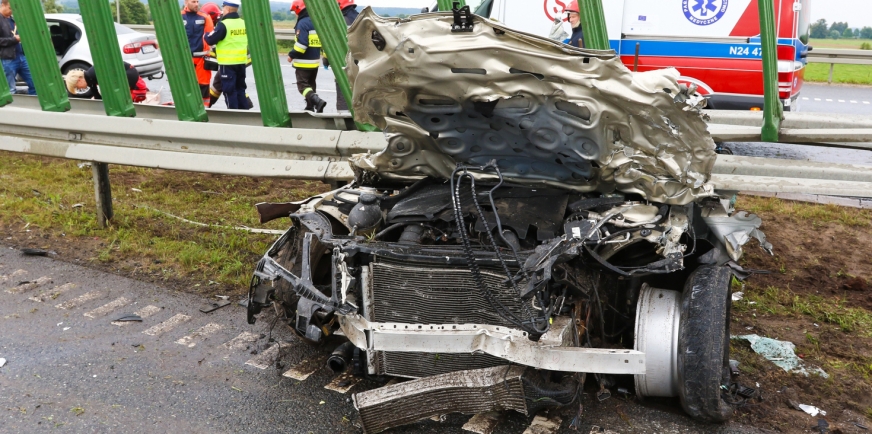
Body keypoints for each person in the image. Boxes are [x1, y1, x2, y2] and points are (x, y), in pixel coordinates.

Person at [204, 0, 250, 110]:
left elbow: (210, 40)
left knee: (229, 90)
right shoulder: (242, 23)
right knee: (240, 89)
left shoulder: (224, 24)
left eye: (223, 8)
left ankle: (233, 115)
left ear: (228, 9)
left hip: (228, 63)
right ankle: (245, 114)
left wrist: (206, 33)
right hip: (241, 62)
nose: (222, 10)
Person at [287, 0, 326, 113]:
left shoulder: (302, 23)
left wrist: (291, 55)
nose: (295, 14)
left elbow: (302, 45)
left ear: (299, 9)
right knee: (311, 83)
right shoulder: (316, 21)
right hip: (314, 62)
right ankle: (310, 106)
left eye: (295, 11)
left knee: (302, 86)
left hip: (303, 62)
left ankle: (317, 101)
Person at [182, 0, 214, 107]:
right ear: (186, 2)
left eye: (197, 1)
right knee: (185, 87)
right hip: (185, 59)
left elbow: (210, 39)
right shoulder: (179, 17)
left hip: (201, 59)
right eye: (193, 1)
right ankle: (187, 109)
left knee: (203, 86)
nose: (196, 4)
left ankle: (204, 111)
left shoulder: (205, 17)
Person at [64, 62, 149, 102]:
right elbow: (97, 96)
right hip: (129, 74)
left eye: (76, 87)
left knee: (126, 100)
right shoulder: (90, 78)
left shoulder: (93, 74)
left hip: (130, 75)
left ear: (79, 80)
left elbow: (110, 91)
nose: (79, 89)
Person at [0, 0, 35, 95]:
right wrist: (14, 39)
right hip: (7, 58)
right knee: (10, 89)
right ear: (3, 5)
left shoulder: (11, 19)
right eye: (10, 8)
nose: (12, 11)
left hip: (21, 56)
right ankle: (11, 109)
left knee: (35, 83)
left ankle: (35, 105)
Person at [333, 0, 358, 112]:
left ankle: (343, 115)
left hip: (344, 59)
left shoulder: (340, 20)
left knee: (342, 84)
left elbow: (334, 41)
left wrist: (326, 58)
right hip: (361, 61)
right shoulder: (359, 17)